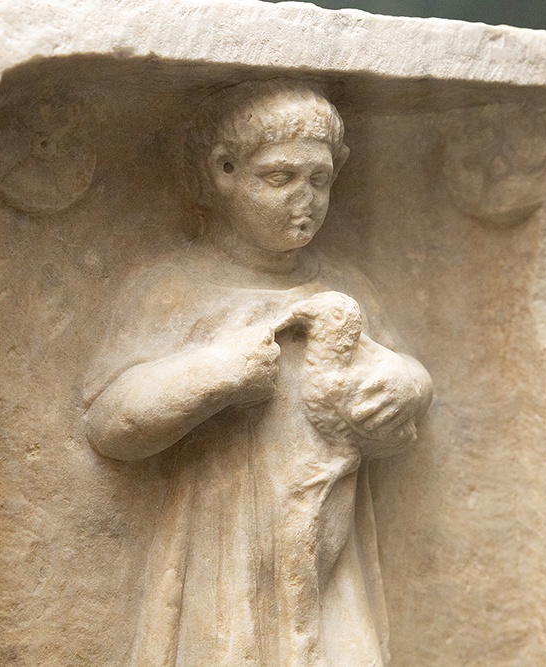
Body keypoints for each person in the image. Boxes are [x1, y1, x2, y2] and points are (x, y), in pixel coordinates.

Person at [84, 79, 433, 666]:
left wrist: (406, 384)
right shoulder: (171, 289)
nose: (305, 199)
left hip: (329, 548)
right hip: (225, 548)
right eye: (279, 178)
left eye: (319, 179)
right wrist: (214, 374)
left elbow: (406, 368)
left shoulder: (345, 284)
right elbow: (110, 423)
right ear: (224, 171)